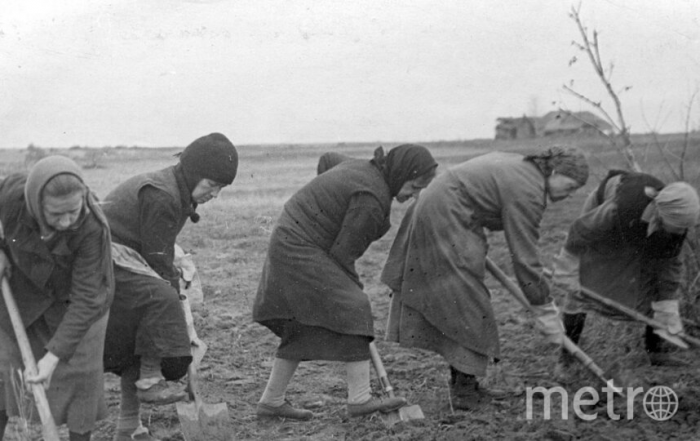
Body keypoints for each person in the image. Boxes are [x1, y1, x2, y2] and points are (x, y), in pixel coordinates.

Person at [380, 146, 589, 411]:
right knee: (468, 302)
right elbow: (524, 259)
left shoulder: (524, 170)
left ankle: (465, 385)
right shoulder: (528, 189)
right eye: (569, 187)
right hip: (447, 213)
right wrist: (544, 308)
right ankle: (464, 392)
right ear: (555, 172)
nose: (568, 195)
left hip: (445, 208)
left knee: (464, 300)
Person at [253, 145, 437, 420]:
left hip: (291, 238)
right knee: (356, 304)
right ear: (400, 174)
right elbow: (342, 256)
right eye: (414, 186)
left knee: (301, 321)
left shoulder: (366, 167)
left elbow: (328, 160)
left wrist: (324, 203)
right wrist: (351, 285)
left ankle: (271, 401)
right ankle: (360, 399)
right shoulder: (371, 200)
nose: (415, 195)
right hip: (299, 248)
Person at [102, 133, 238, 441]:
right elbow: (157, 260)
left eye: (220, 188)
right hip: (106, 258)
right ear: (192, 173)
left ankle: (128, 429)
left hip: (128, 258)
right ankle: (150, 378)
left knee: (140, 338)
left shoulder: (177, 190)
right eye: (210, 185)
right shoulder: (163, 194)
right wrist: (173, 290)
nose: (214, 194)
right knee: (162, 303)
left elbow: (158, 248)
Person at [0, 156, 114, 441]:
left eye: (72, 212)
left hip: (77, 303)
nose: (65, 222)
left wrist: (52, 359)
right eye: (55, 215)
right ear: (36, 205)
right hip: (24, 291)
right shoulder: (14, 193)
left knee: (82, 380)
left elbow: (88, 298)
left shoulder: (92, 227)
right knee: (6, 374)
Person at [552, 170, 700, 371]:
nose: (682, 233)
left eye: (684, 228)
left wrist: (667, 308)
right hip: (605, 210)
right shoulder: (620, 208)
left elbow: (668, 269)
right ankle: (566, 355)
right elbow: (581, 232)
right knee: (581, 283)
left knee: (651, 281)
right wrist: (567, 270)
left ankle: (656, 352)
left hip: (640, 226)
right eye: (678, 227)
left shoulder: (677, 225)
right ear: (661, 214)